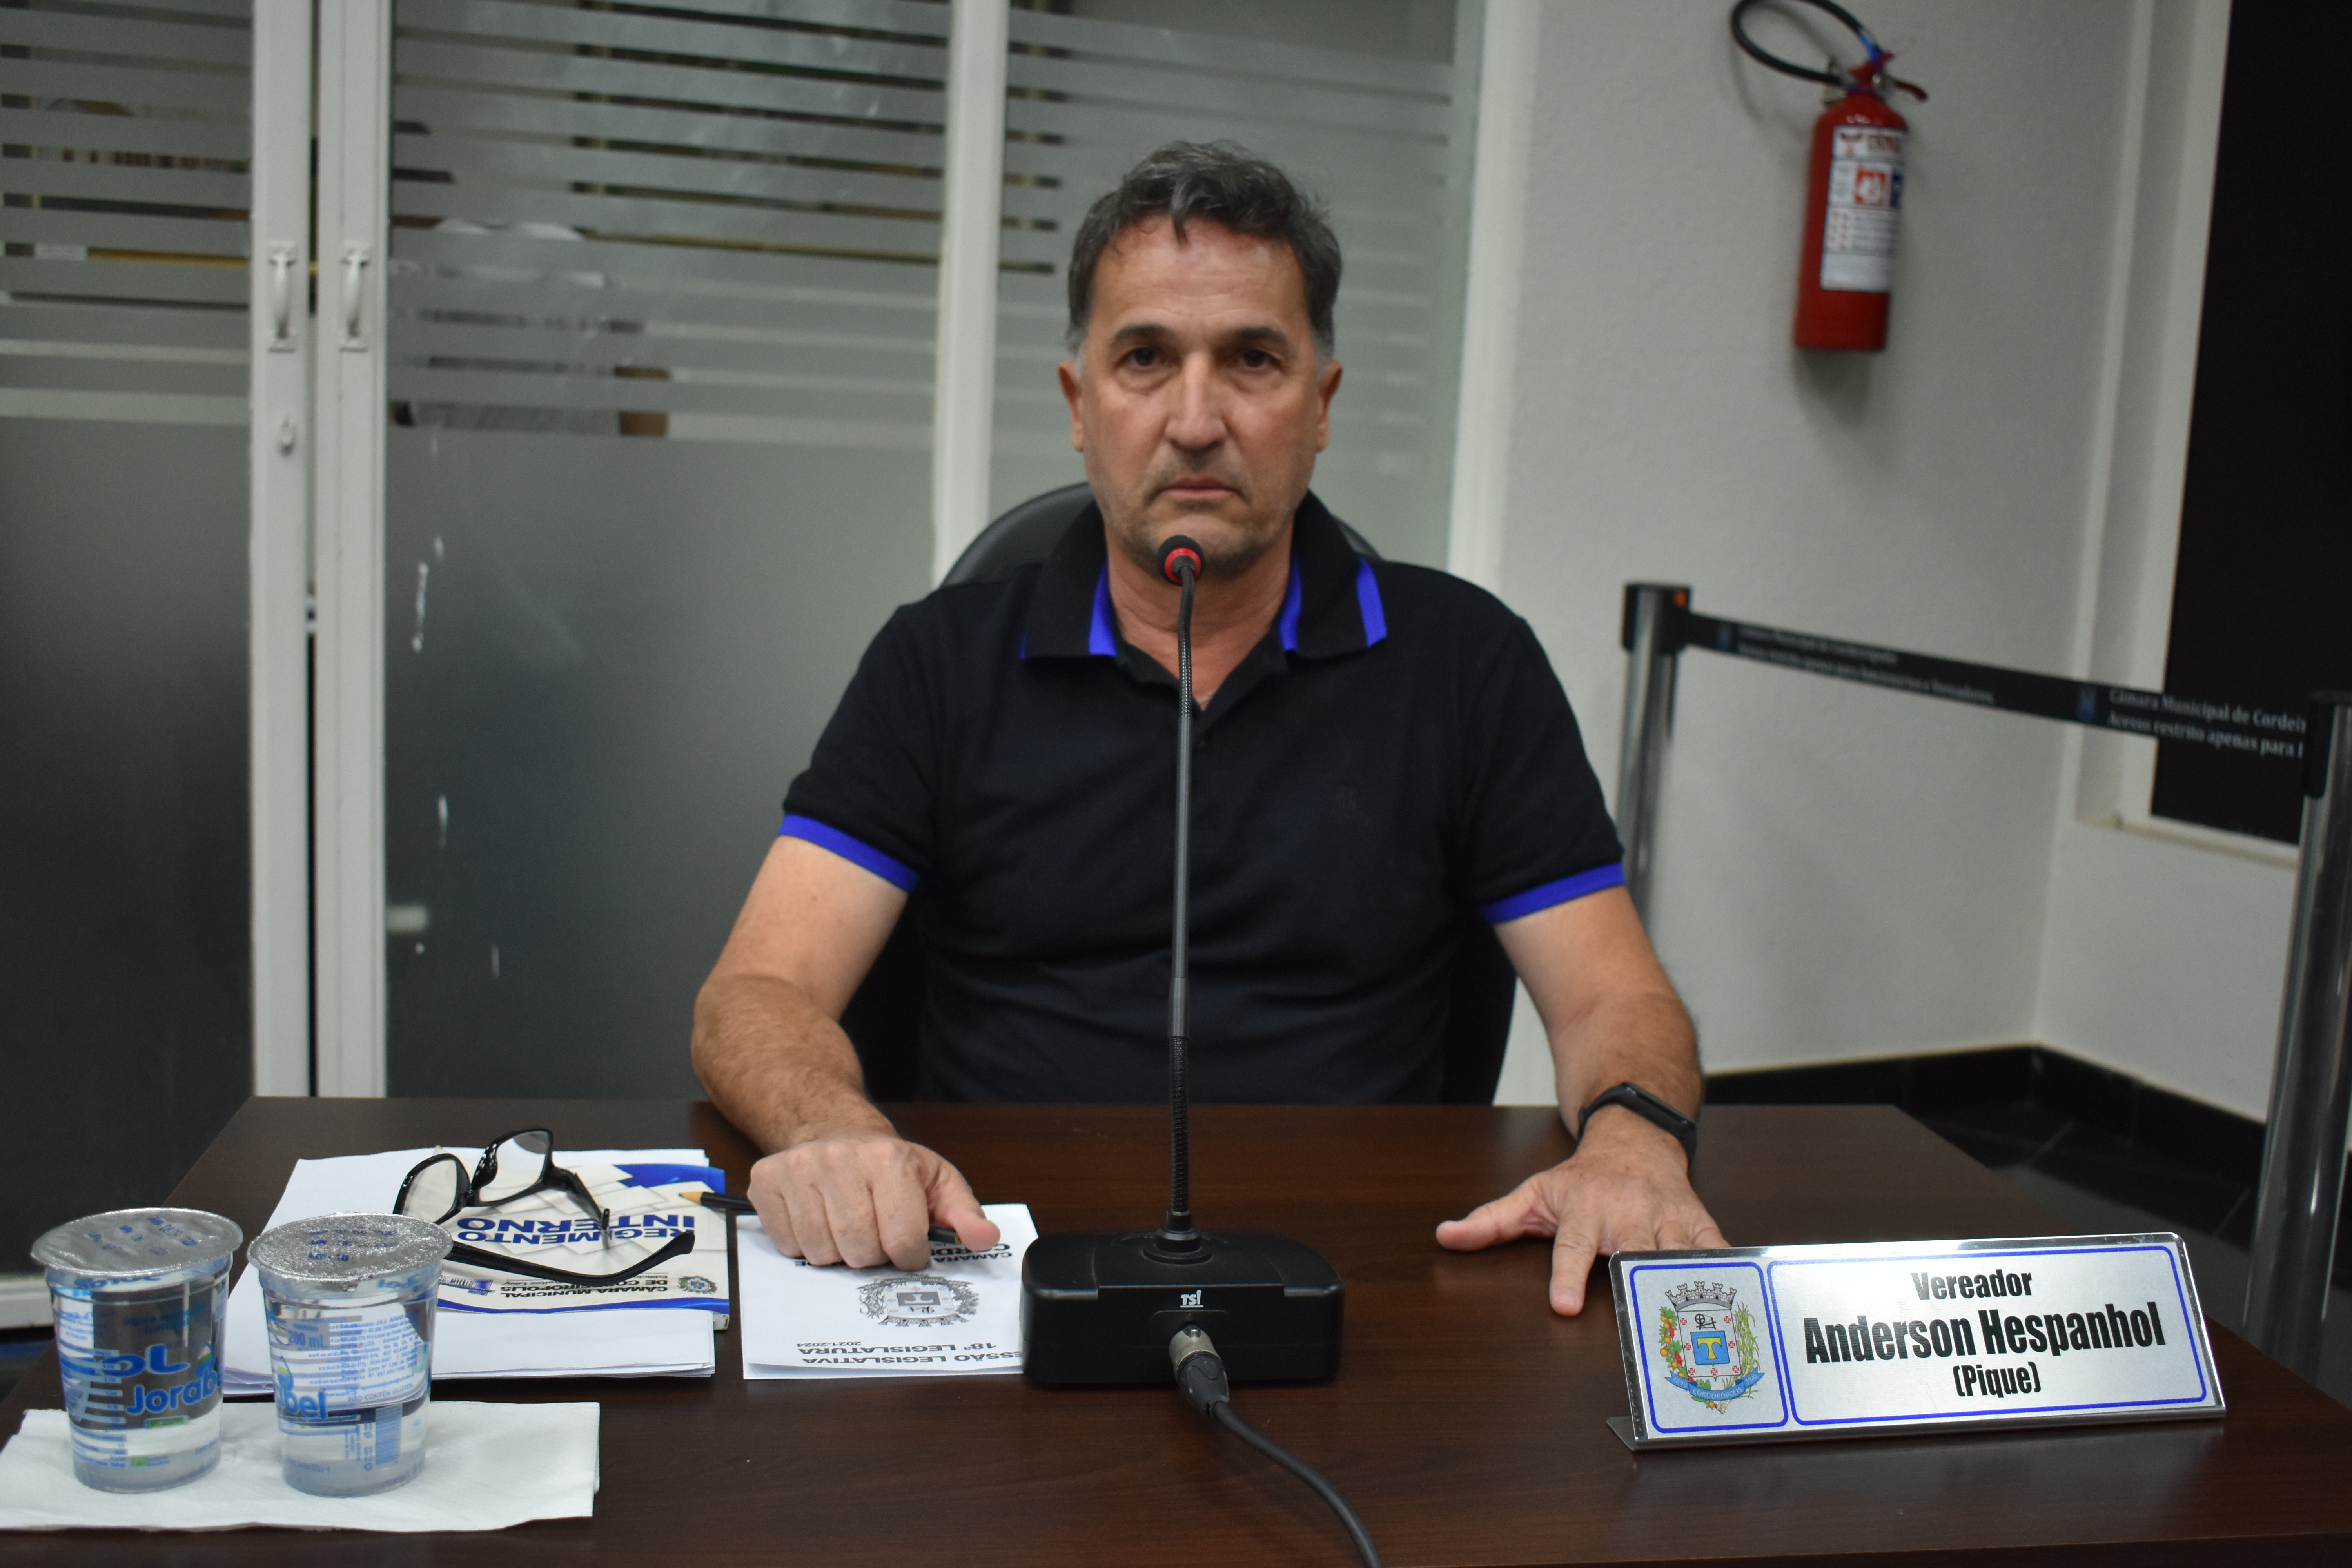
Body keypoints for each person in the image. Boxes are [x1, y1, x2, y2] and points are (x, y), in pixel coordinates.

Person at [692, 142, 1724, 1316]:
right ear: (1080, 406)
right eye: (1145, 359)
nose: (1196, 421)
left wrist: (1632, 1145)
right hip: (984, 1264)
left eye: (1252, 360)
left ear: (1320, 406)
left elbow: (1611, 999)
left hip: (1369, 1281)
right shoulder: (939, 662)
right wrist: (833, 1133)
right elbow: (757, 991)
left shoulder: (1468, 663)